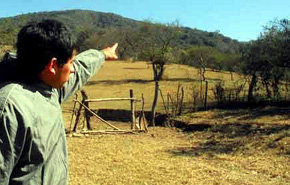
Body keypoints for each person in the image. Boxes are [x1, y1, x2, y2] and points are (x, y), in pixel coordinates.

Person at [0, 19, 118, 184]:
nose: (73, 68)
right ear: (53, 65)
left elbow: (81, 69)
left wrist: (102, 54)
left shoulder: (49, 89)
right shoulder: (10, 107)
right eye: (70, 62)